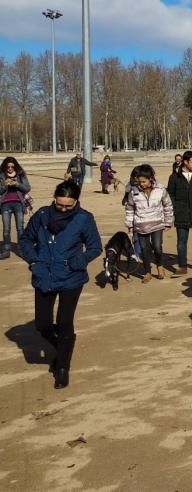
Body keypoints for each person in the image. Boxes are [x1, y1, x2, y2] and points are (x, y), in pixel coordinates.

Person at [20, 180, 102, 389]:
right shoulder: (41, 215)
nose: (64, 208)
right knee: (43, 324)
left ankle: (62, 367)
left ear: (76, 202)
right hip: (43, 274)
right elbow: (26, 240)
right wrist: (34, 260)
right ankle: (64, 347)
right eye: (60, 204)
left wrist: (78, 262)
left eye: (68, 205)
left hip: (71, 277)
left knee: (64, 322)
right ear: (54, 199)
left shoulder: (84, 218)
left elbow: (95, 247)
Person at [124, 165, 174, 282]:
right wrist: (130, 225)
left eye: (144, 181)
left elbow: (168, 205)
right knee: (144, 249)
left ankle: (159, 265)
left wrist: (168, 222)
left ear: (151, 178)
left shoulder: (160, 190)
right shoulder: (133, 192)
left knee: (157, 247)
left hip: (157, 223)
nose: (141, 184)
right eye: (139, 182)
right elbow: (129, 209)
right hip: (140, 225)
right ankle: (147, 272)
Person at [2, 157, 31, 259]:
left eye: (12, 166)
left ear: (15, 166)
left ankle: (21, 249)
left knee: (20, 228)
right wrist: (5, 185)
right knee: (6, 228)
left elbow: (27, 188)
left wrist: (17, 184)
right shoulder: (1, 175)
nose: (10, 168)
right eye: (8, 166)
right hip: (5, 204)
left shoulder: (20, 174)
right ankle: (6, 250)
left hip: (18, 203)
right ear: (5, 166)